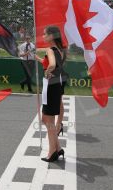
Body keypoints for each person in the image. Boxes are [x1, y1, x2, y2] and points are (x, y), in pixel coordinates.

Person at [38, 26, 65, 162]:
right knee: (46, 119)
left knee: (48, 120)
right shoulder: (60, 51)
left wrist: (47, 71)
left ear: (51, 36)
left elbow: (52, 64)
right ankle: (58, 148)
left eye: (44, 34)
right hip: (56, 85)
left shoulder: (50, 50)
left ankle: (52, 151)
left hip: (51, 85)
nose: (43, 36)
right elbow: (53, 63)